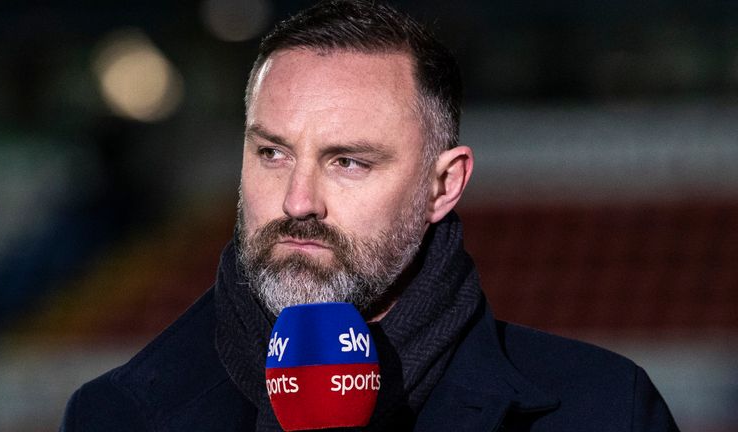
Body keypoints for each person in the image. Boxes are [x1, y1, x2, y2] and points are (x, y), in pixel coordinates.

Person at [60, 1, 679, 430]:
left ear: (444, 184)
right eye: (272, 153)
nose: (298, 201)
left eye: (349, 162)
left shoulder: (603, 409)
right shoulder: (117, 414)